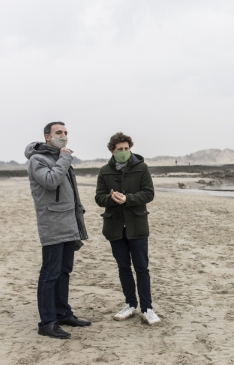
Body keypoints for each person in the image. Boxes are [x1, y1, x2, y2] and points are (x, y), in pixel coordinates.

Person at [25, 121, 90, 339]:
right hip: (52, 223)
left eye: (65, 132)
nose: (63, 136)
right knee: (50, 273)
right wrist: (65, 157)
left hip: (69, 222)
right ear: (47, 137)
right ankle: (47, 322)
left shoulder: (58, 158)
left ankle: (62, 313)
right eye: (58, 133)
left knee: (64, 271)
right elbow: (51, 181)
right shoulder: (37, 160)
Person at [95, 132, 160, 325]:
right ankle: (130, 304)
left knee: (141, 268)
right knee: (123, 267)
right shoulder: (104, 171)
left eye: (126, 148)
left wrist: (128, 199)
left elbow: (149, 194)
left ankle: (147, 308)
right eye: (119, 149)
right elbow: (99, 198)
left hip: (137, 226)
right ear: (112, 151)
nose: (124, 152)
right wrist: (111, 198)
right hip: (115, 227)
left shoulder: (142, 168)